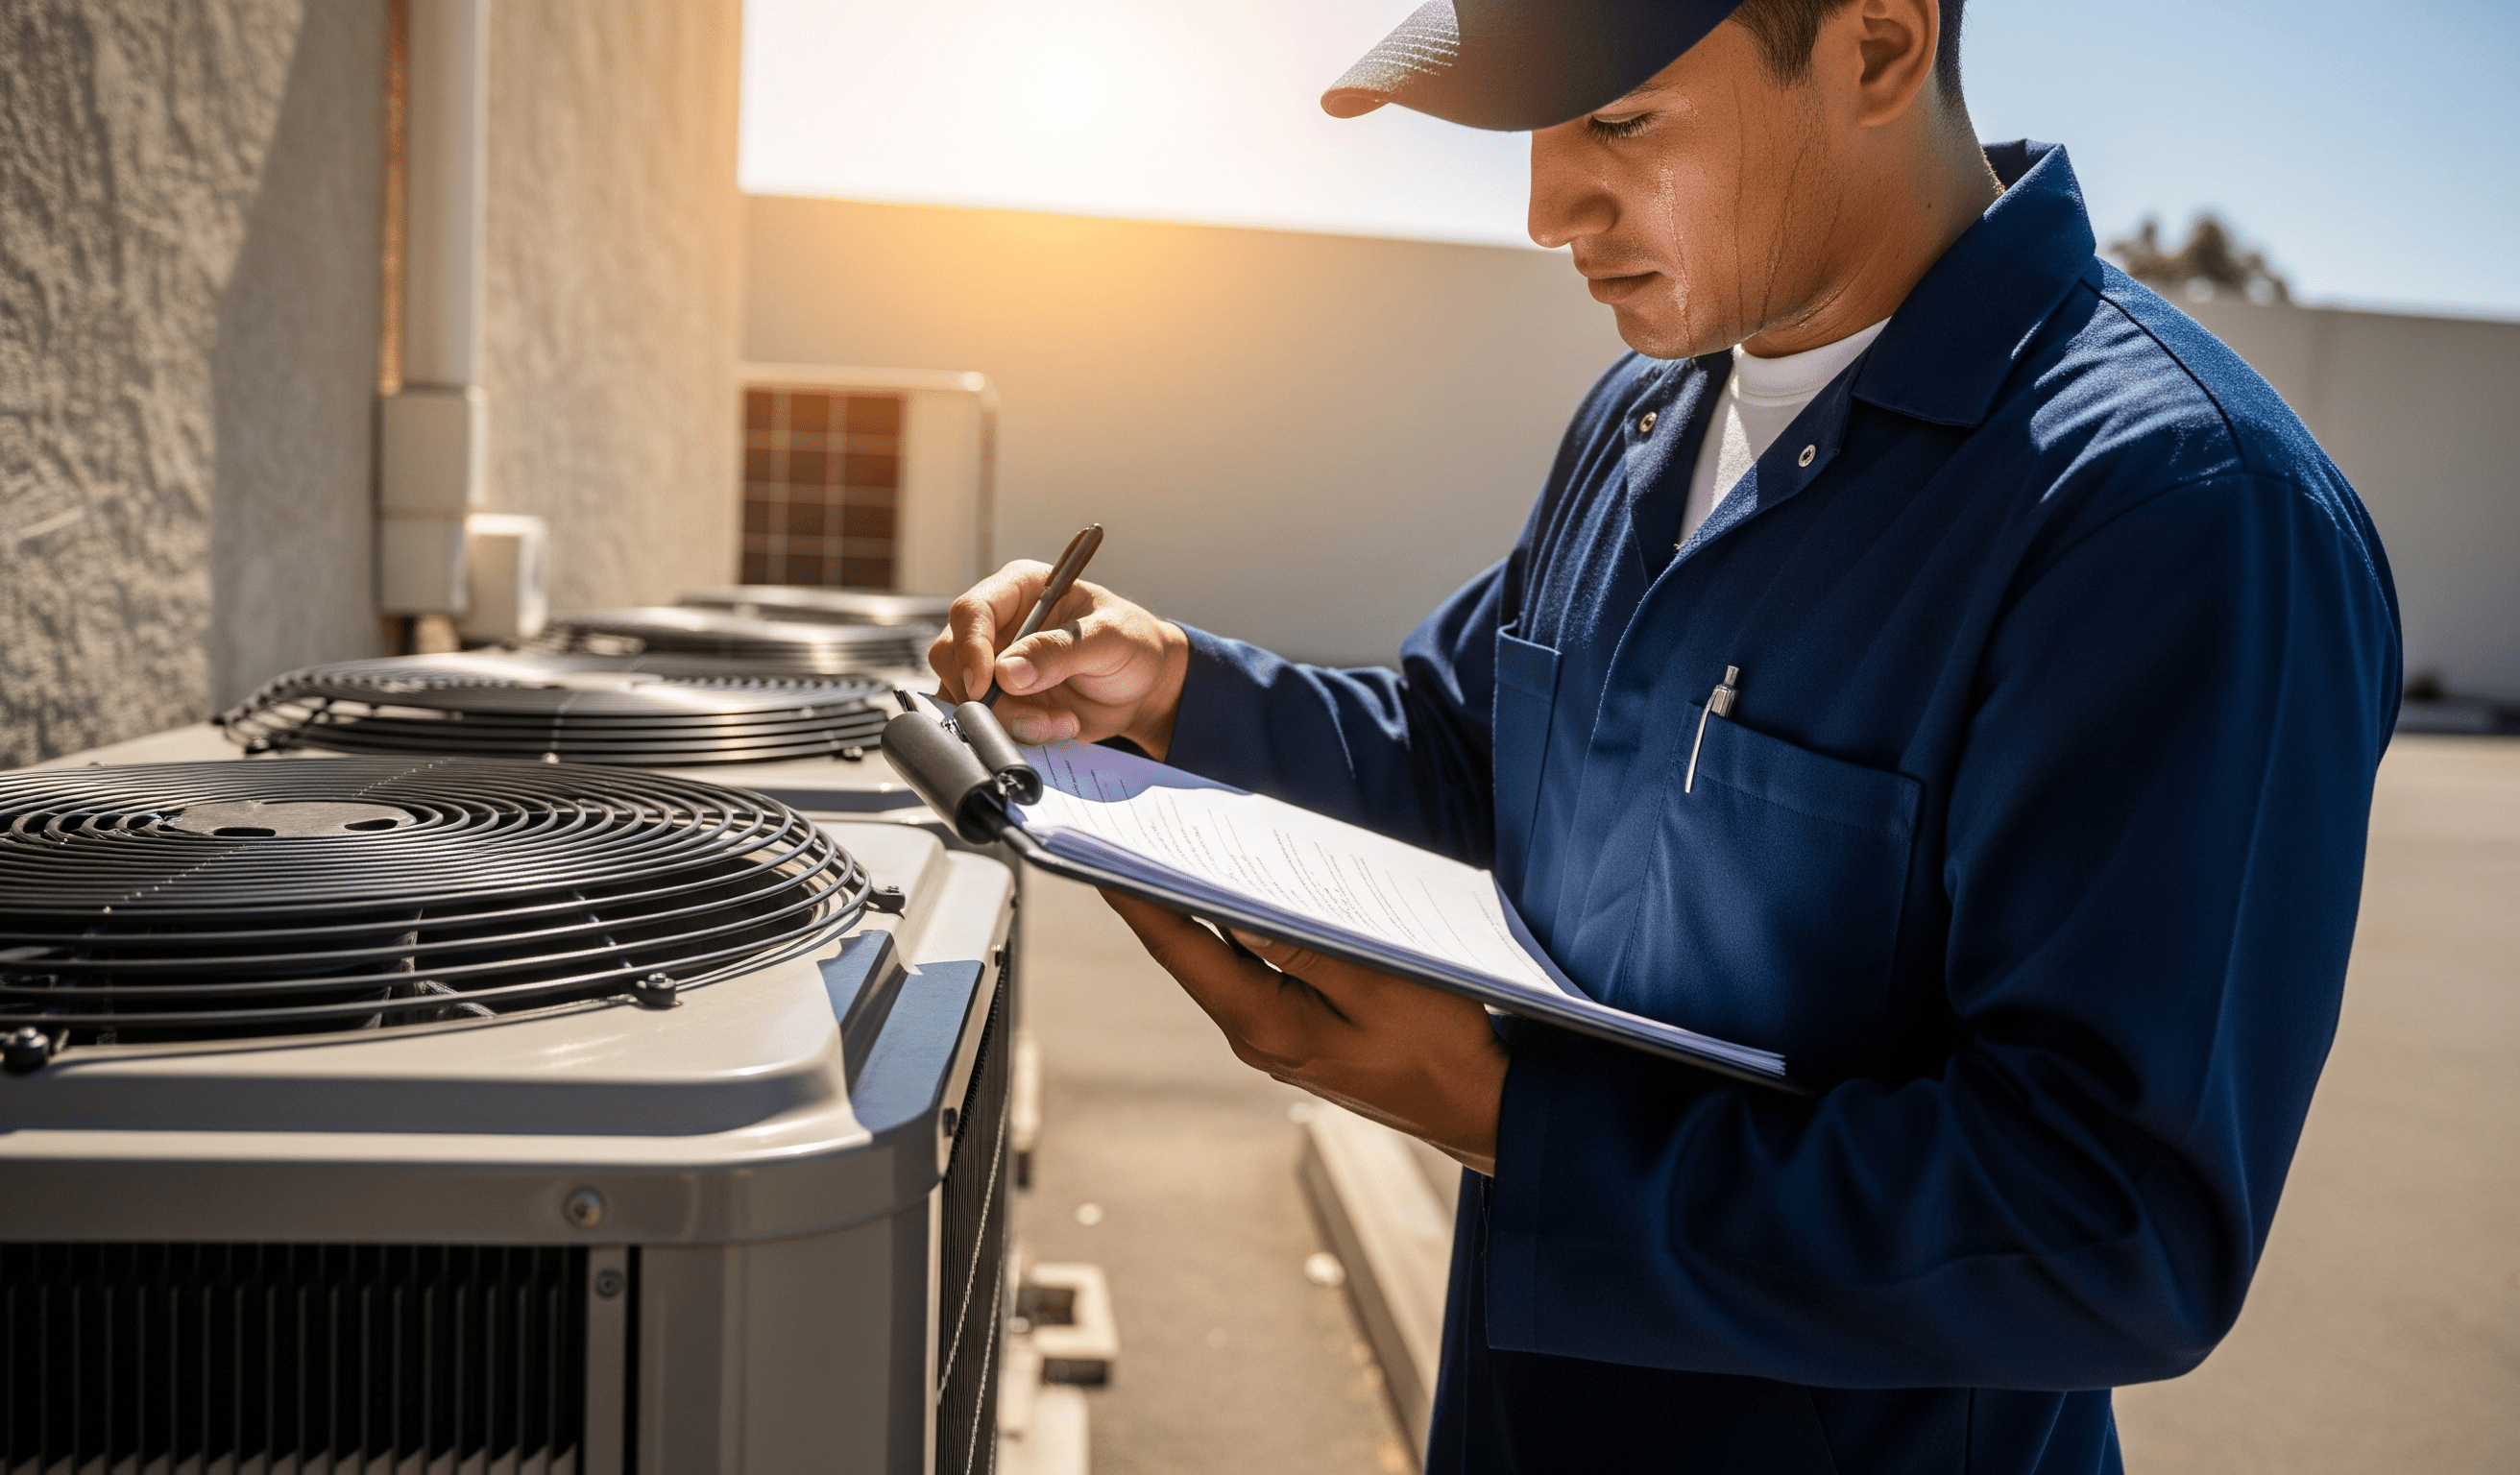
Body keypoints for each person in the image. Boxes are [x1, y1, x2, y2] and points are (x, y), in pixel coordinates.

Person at [931, 0, 2402, 1468]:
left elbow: (2110, 1225)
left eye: (1617, 121)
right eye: (1530, 133)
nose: (1543, 208)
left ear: (1878, 46)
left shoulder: (2178, 512)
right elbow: (1472, 755)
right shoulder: (1648, 409)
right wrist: (1181, 688)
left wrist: (1516, 1126)